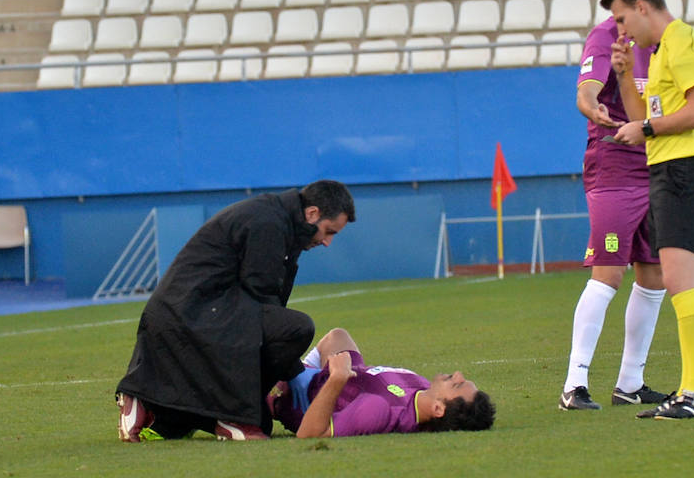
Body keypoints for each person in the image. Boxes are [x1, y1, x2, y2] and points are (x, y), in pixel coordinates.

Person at [116, 180, 356, 442]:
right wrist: (293, 371)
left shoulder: (279, 220)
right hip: (189, 313)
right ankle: (230, 417)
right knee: (296, 328)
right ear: (312, 214)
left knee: (261, 423)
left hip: (194, 311)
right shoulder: (269, 224)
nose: (328, 242)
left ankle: (156, 407)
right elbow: (260, 295)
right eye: (329, 231)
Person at [601, 0, 694, 420]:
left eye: (622, 19)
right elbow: (642, 122)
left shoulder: (682, 41)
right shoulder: (657, 54)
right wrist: (623, 75)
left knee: (681, 280)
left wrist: (648, 128)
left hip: (687, 170)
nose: (621, 30)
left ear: (642, 6)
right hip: (670, 169)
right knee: (680, 281)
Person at [559, 0, 668, 412]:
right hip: (616, 164)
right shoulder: (606, 35)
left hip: (659, 161)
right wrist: (592, 108)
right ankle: (574, 384)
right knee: (609, 270)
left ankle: (630, 382)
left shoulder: (666, 38)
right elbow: (586, 89)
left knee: (655, 273)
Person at [267, 327, 496, 437]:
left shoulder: (381, 410)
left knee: (271, 332)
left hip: (307, 397)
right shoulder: (421, 387)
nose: (457, 374)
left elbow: (309, 434)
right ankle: (293, 372)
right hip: (335, 373)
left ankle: (279, 389)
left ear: (438, 408)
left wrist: (336, 378)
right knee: (339, 336)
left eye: (456, 385)